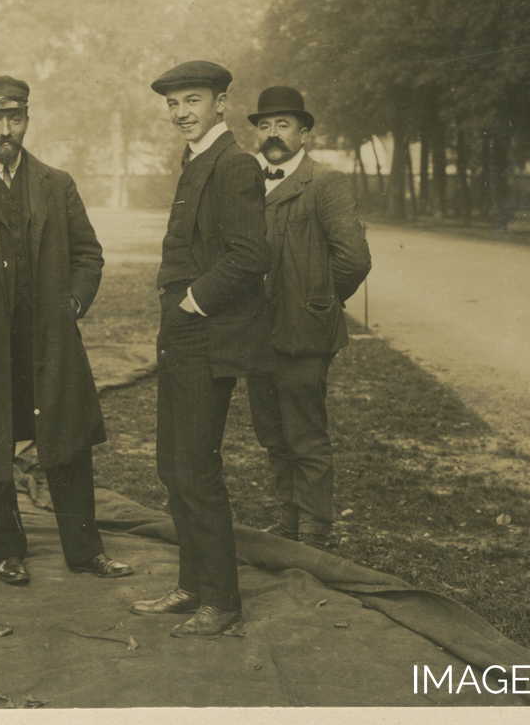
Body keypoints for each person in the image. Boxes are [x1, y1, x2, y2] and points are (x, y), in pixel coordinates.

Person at [0, 75, 132, 587]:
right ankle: (7, 551)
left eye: (15, 118)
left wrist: (72, 303)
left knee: (68, 443)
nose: (5, 130)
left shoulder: (57, 183)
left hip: (50, 341)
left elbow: (88, 254)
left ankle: (86, 550)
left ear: (27, 119)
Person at [130, 61, 274, 638]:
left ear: (220, 103)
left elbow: (250, 255)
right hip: (182, 332)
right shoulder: (196, 159)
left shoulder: (234, 164)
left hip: (206, 334)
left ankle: (221, 600)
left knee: (195, 468)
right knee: (173, 466)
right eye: (173, 103)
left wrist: (193, 301)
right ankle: (191, 586)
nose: (181, 112)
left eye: (193, 100)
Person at [245, 87, 371, 550]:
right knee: (271, 432)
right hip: (255, 332)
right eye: (264, 125)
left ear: (303, 133)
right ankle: (287, 521)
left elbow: (353, 259)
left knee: (305, 433)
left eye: (283, 124)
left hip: (304, 332)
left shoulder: (325, 182)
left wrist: (318, 300)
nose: (272, 134)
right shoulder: (249, 183)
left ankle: (314, 530)